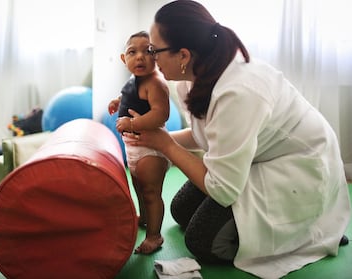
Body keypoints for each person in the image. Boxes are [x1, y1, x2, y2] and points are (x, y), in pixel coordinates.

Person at [125, 1, 351, 278]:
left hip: (299, 167)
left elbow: (222, 189)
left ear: (183, 54)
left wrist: (166, 145)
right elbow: (206, 134)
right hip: (257, 155)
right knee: (180, 210)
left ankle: (309, 229)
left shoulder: (238, 91)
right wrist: (157, 138)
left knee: (201, 241)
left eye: (153, 50)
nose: (149, 58)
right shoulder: (192, 74)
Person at [108, 31, 171, 254]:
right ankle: (144, 218)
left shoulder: (156, 84)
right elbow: (128, 95)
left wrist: (132, 123)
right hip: (133, 149)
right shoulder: (133, 80)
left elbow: (160, 114)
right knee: (139, 188)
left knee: (152, 193)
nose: (140, 57)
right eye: (132, 52)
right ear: (124, 59)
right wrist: (118, 101)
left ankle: (155, 236)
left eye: (148, 51)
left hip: (151, 150)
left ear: (156, 57)